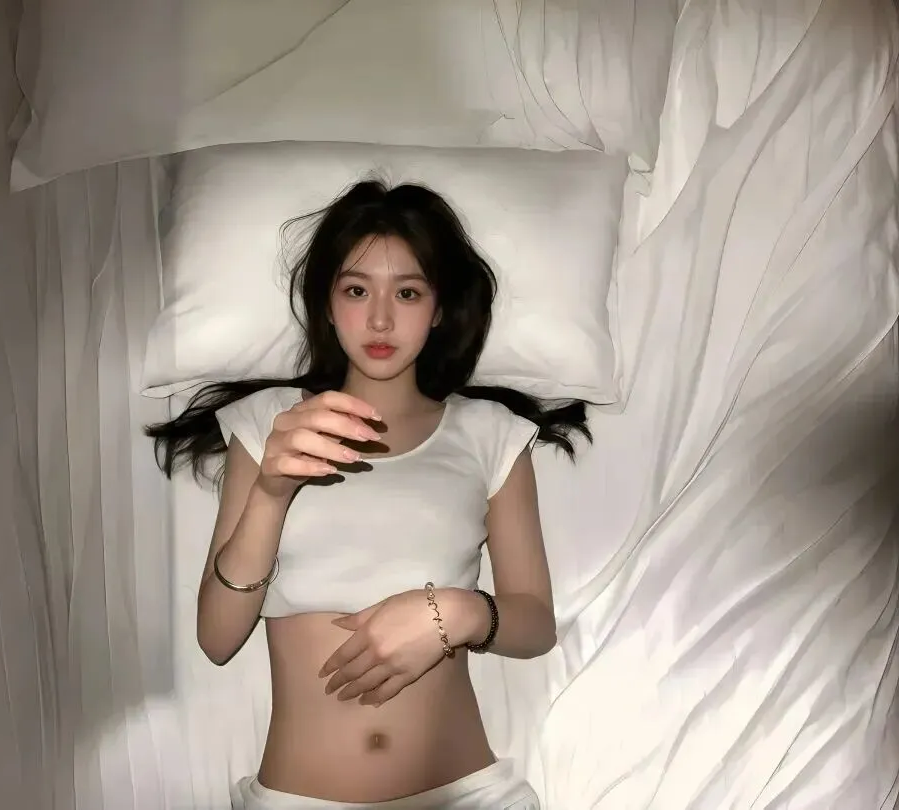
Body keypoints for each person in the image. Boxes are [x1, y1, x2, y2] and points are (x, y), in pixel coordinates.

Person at [146, 179, 591, 809]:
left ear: (439, 309)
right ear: (327, 305)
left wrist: (456, 613)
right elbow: (217, 639)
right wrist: (271, 492)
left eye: (408, 292)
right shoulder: (271, 425)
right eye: (356, 290)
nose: (380, 319)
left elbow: (535, 624)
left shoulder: (491, 435)